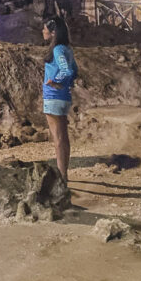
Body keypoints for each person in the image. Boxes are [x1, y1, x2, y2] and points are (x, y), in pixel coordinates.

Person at [42, 16, 78, 185]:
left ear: (53, 32)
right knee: (62, 137)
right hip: (63, 97)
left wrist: (56, 82)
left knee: (58, 139)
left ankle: (62, 177)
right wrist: (66, 85)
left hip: (54, 97)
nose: (43, 31)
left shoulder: (57, 50)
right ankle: (63, 174)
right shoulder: (67, 49)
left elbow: (67, 70)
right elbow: (75, 71)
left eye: (45, 29)